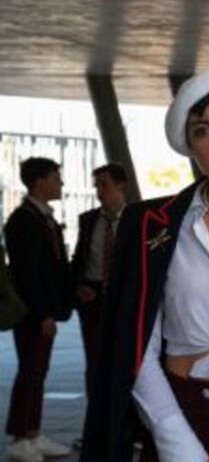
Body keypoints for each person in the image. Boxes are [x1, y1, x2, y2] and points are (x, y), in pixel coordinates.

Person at [81, 55, 209, 462]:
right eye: (202, 131)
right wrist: (178, 445)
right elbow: (133, 344)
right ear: (191, 146)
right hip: (172, 417)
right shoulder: (149, 224)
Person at [3, 157, 73, 461]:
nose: (61, 183)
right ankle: (19, 437)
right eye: (56, 178)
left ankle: (32, 432)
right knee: (30, 371)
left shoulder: (41, 217)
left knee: (37, 371)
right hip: (32, 313)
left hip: (42, 310)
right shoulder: (23, 220)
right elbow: (27, 273)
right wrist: (43, 313)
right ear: (39, 181)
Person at [70, 163, 128, 450]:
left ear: (121, 186)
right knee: (95, 364)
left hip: (124, 300)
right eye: (97, 185)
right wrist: (78, 285)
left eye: (104, 185)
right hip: (93, 300)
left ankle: (126, 428)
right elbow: (79, 259)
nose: (99, 191)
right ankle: (97, 428)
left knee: (125, 363)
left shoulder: (138, 218)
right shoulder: (88, 220)